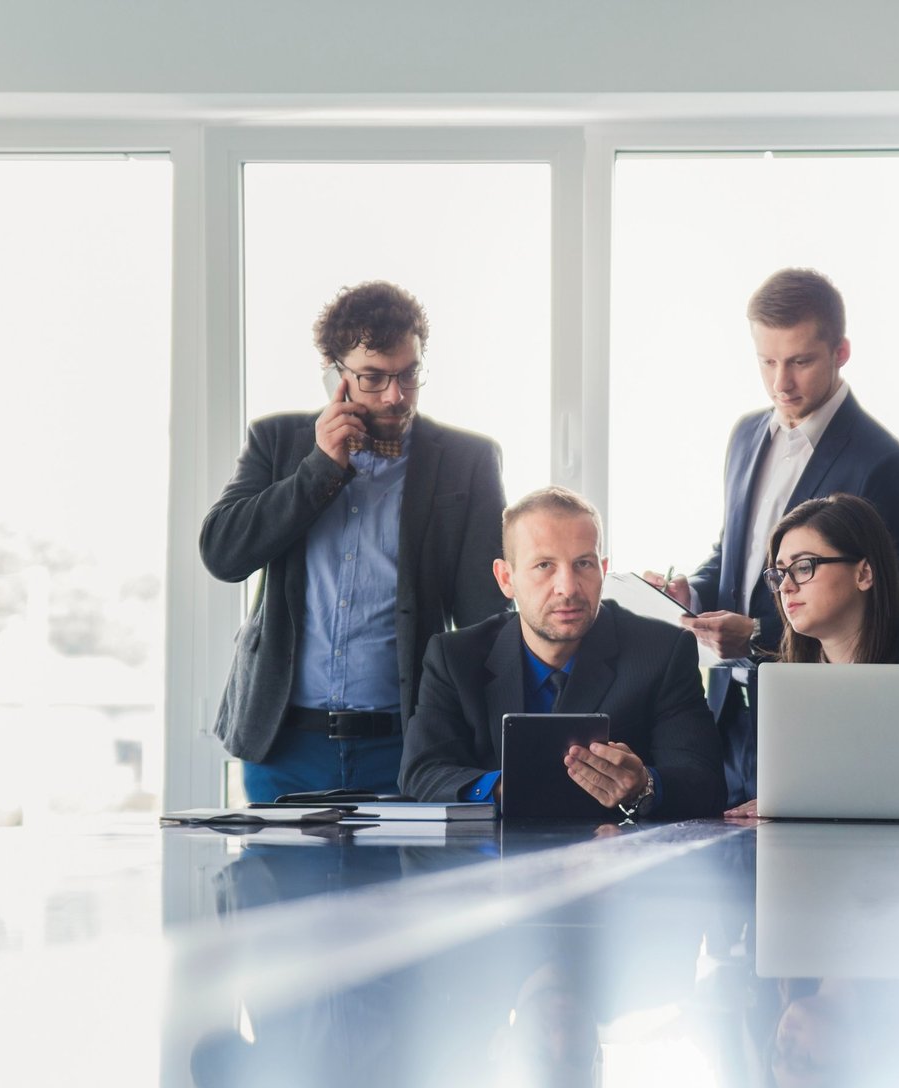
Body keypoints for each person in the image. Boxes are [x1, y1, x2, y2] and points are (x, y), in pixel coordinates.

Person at [200, 281, 508, 801]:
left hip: (409, 745)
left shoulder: (467, 460)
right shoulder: (276, 442)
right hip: (284, 744)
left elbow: (485, 616)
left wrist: (485, 741)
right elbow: (223, 555)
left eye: (408, 374)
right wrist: (319, 469)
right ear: (333, 374)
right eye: (373, 377)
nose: (395, 395)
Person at [645, 268, 899, 804]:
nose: (781, 382)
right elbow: (736, 555)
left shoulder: (884, 466)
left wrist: (758, 634)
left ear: (841, 352)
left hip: (818, 722)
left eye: (800, 361)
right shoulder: (744, 435)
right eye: (767, 361)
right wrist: (692, 593)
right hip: (728, 718)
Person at [398, 487, 724, 818]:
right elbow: (421, 773)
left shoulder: (662, 653)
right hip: (494, 848)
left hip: (618, 847)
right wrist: (503, 788)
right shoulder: (455, 657)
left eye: (583, 563)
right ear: (506, 578)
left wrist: (644, 785)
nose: (568, 588)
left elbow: (705, 784)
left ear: (603, 570)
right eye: (544, 565)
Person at [723, 493, 899, 823]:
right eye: (779, 573)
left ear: (863, 574)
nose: (786, 586)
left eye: (803, 567)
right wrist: (784, 802)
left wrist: (824, 799)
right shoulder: (787, 679)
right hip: (819, 849)